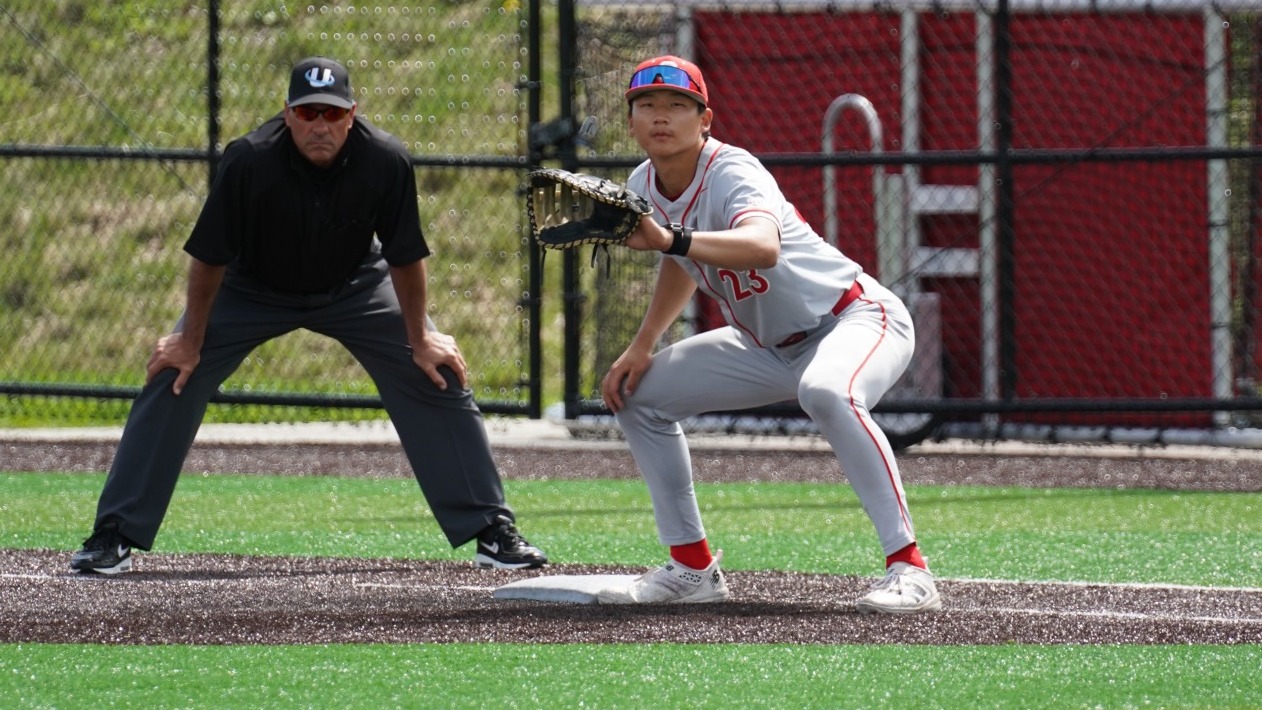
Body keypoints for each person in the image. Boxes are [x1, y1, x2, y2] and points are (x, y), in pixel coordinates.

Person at [70, 57, 547, 575]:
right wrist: (189, 338)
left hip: (355, 285)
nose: (320, 125)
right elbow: (210, 258)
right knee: (174, 374)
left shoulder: (385, 159)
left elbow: (405, 255)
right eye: (308, 112)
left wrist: (420, 338)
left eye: (332, 114)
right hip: (253, 287)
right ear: (288, 114)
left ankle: (490, 530)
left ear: (352, 115)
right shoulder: (249, 159)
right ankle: (114, 532)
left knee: (435, 370)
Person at [596, 56, 940, 613]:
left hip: (854, 319)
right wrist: (641, 346)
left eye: (677, 106)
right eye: (647, 105)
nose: (661, 116)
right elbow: (678, 261)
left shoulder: (733, 170)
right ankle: (691, 569)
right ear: (631, 120)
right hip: (764, 346)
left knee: (828, 391)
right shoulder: (643, 183)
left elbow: (761, 246)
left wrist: (671, 240)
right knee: (637, 397)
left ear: (705, 119)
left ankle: (910, 571)